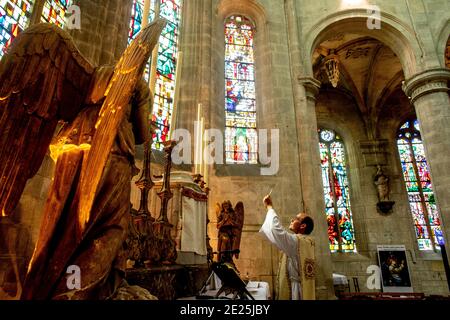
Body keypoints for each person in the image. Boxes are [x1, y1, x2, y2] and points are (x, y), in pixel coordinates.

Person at [259, 195, 316, 300]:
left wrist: (270, 207)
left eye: (296, 219)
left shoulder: (297, 242)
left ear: (303, 226)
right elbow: (277, 237)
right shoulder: (306, 242)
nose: (292, 219)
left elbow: (275, 230)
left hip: (297, 291)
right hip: (300, 287)